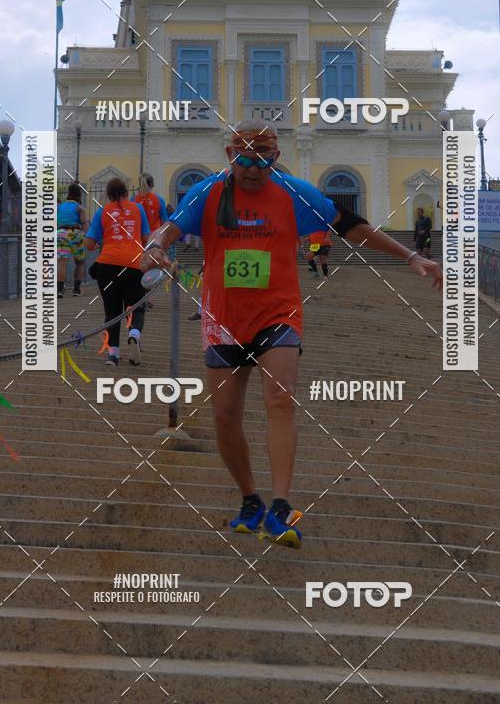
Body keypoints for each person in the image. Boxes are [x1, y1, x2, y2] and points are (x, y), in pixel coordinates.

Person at [141, 120, 442, 549]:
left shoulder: (293, 191)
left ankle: (281, 506)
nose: (253, 169)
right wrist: (154, 249)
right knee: (225, 418)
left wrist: (410, 255)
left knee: (280, 401)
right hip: (222, 320)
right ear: (230, 156)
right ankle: (250, 500)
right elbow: (169, 229)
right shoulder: (207, 192)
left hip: (277, 315)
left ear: (276, 158)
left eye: (263, 161)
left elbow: (351, 225)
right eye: (244, 160)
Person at [84, 177, 150, 367]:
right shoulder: (138, 209)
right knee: (136, 307)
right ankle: (134, 334)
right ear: (126, 192)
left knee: (111, 311)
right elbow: (146, 237)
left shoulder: (102, 211)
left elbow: (88, 244)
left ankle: (113, 355)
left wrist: (102, 239)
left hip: (107, 265)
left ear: (109, 194)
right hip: (134, 264)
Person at [57, 184, 88, 298]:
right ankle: (76, 289)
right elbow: (84, 223)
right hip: (75, 233)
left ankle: (59, 290)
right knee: (79, 262)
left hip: (60, 233)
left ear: (68, 195)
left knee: (62, 262)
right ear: (79, 195)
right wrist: (90, 237)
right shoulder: (79, 208)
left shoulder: (59, 207)